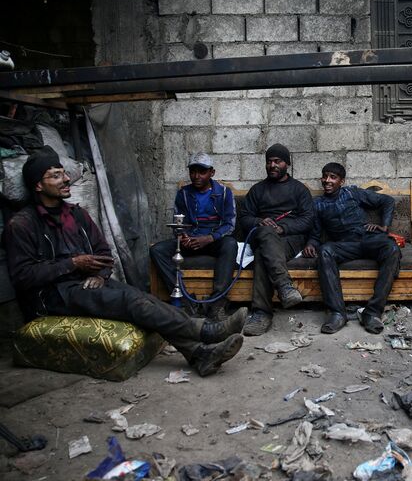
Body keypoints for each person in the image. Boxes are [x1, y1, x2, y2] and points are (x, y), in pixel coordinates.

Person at [3, 146, 246, 377]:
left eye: (64, 173)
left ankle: (199, 354)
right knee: (134, 302)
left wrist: (100, 275)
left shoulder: (77, 215)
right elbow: (23, 277)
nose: (66, 179)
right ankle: (205, 330)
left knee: (144, 299)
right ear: (38, 185)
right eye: (55, 176)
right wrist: (73, 264)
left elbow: (104, 254)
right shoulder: (22, 224)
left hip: (89, 283)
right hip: (53, 296)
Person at [302, 162, 401, 334]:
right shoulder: (317, 204)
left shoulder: (352, 192)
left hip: (368, 239)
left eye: (333, 177)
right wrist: (311, 243)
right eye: (325, 176)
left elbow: (387, 201)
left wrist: (384, 226)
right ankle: (337, 313)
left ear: (342, 181)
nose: (327, 180)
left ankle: (372, 312)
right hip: (344, 245)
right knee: (325, 251)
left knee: (392, 248)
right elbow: (315, 233)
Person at [150, 152, 238, 321]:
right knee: (157, 250)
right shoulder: (183, 194)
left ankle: (216, 304)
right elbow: (178, 221)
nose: (196, 176)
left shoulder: (225, 193)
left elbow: (230, 224)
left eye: (202, 172)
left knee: (230, 244)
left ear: (211, 172)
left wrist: (209, 238)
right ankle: (185, 301)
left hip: (213, 240)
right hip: (191, 239)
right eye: (193, 171)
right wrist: (183, 235)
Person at [239, 143, 313, 336]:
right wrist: (259, 220)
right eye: (269, 161)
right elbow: (245, 217)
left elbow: (307, 219)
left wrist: (283, 227)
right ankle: (284, 286)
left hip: (290, 238)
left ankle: (261, 313)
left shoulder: (299, 190)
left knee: (262, 254)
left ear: (286, 164)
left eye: (277, 161)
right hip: (262, 235)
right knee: (264, 233)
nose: (272, 165)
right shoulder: (257, 190)